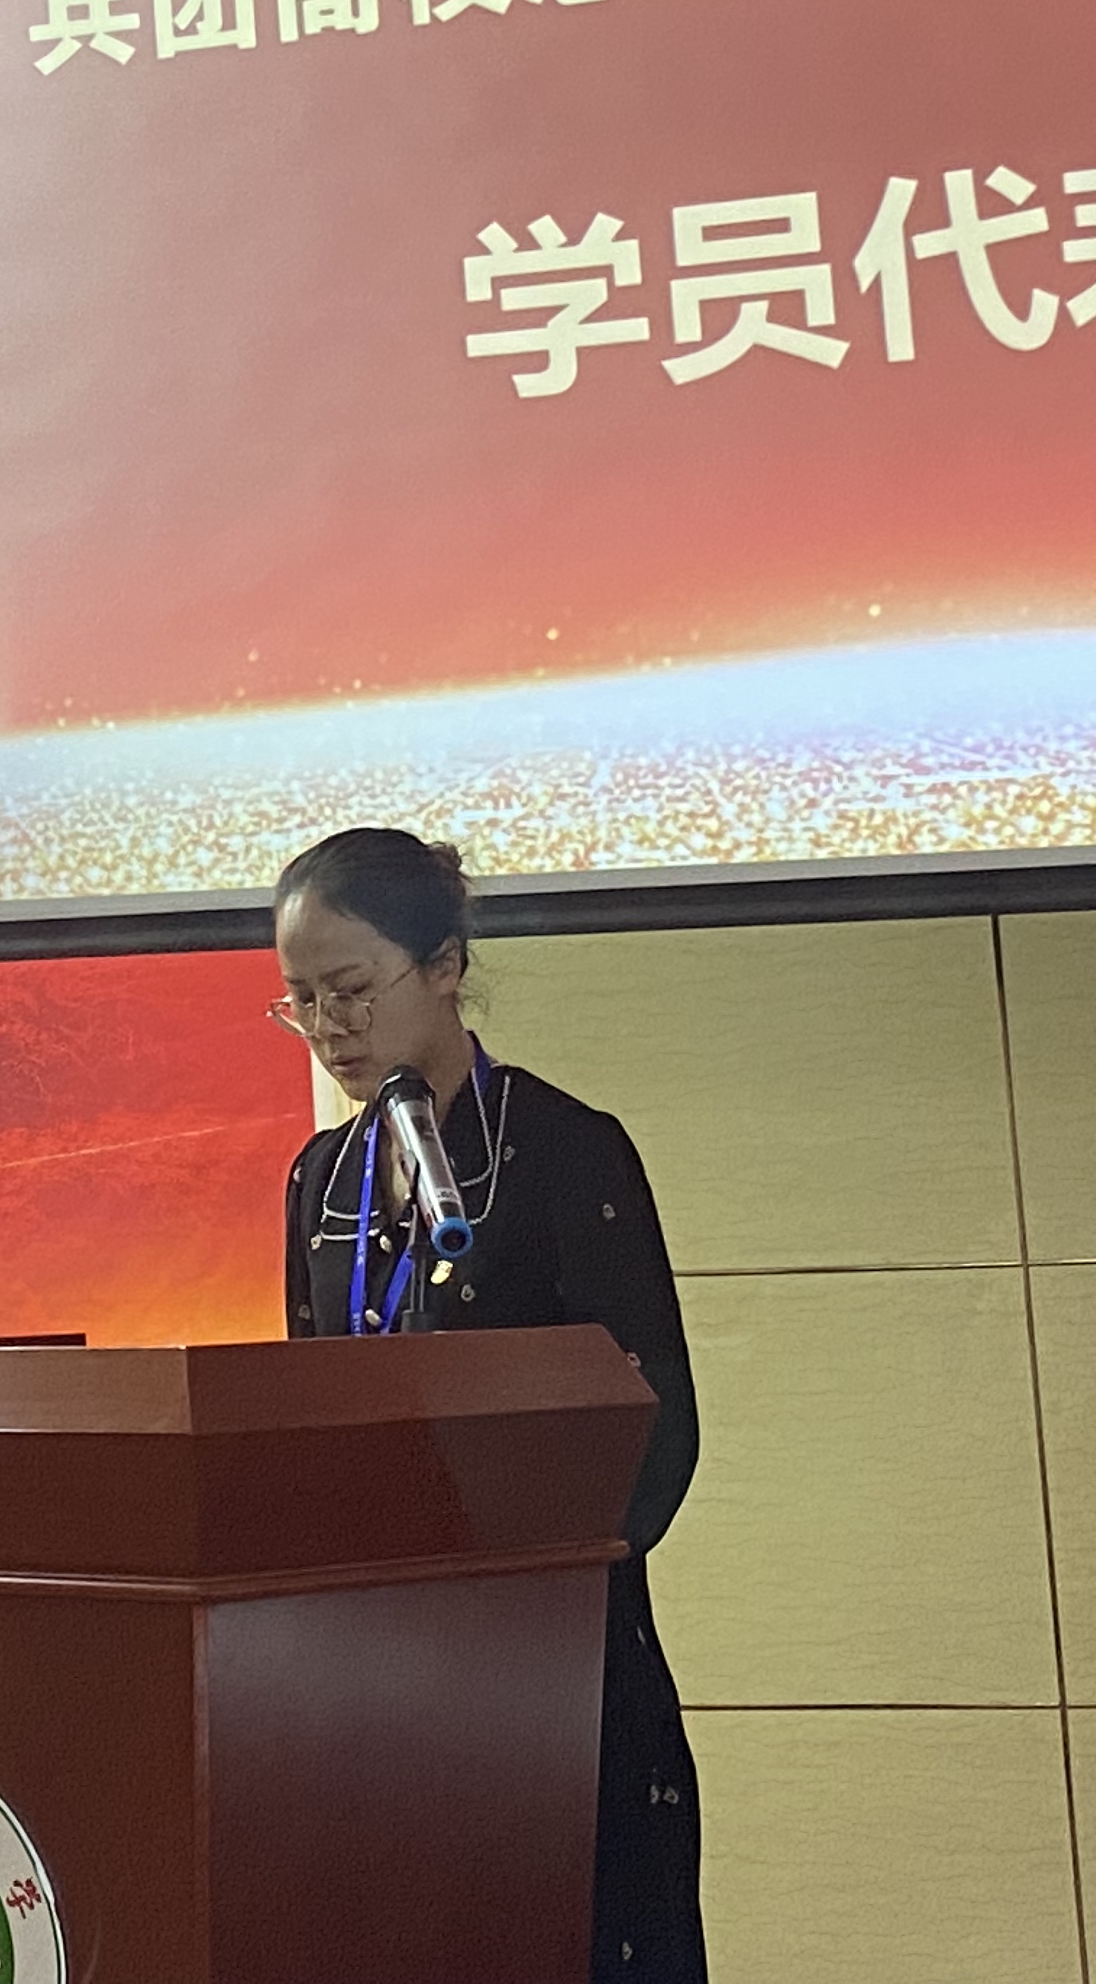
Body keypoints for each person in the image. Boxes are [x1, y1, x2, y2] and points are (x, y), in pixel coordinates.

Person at [277, 826, 704, 1980]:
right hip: (385, 1679)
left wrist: (525, 1581)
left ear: (446, 966)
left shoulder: (566, 1150)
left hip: (558, 1670)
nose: (329, 1027)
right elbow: (305, 1416)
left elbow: (654, 1428)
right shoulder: (319, 1180)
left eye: (351, 990)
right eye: (301, 1002)